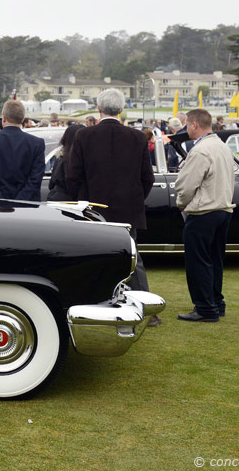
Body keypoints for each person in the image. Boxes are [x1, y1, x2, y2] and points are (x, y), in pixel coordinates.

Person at [66, 89, 158, 323]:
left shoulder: (84, 136)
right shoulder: (137, 137)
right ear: (122, 109)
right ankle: (147, 311)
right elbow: (147, 178)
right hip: (127, 211)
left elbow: (73, 176)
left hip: (94, 211)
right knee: (133, 260)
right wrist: (134, 201)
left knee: (93, 258)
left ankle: (92, 305)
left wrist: (82, 202)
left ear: (98, 109)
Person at [174, 108, 236, 322]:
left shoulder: (200, 150)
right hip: (223, 208)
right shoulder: (221, 146)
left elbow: (187, 183)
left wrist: (181, 203)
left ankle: (204, 308)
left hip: (203, 211)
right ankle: (216, 303)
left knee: (198, 261)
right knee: (215, 260)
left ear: (193, 125)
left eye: (187, 125)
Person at [0, 99, 45, 201]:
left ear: (3, 118)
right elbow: (35, 178)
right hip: (28, 205)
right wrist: (20, 201)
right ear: (22, 119)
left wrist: (1, 201)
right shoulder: (37, 143)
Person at [47, 124, 82, 201]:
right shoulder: (81, 161)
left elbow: (51, 184)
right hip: (73, 201)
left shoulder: (61, 158)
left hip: (56, 198)